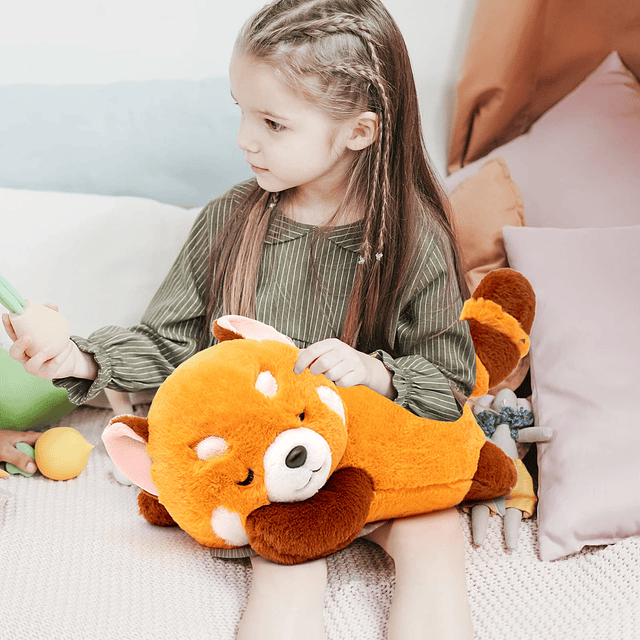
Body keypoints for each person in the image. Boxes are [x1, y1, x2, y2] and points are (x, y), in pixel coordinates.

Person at [2, 1, 477, 638]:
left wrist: (378, 373)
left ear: (359, 132)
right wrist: (76, 358)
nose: (243, 139)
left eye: (273, 123)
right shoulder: (229, 220)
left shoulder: (416, 238)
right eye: (242, 111)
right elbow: (172, 349)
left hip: (378, 463)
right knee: (285, 567)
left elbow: (450, 381)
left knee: (435, 541)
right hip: (270, 471)